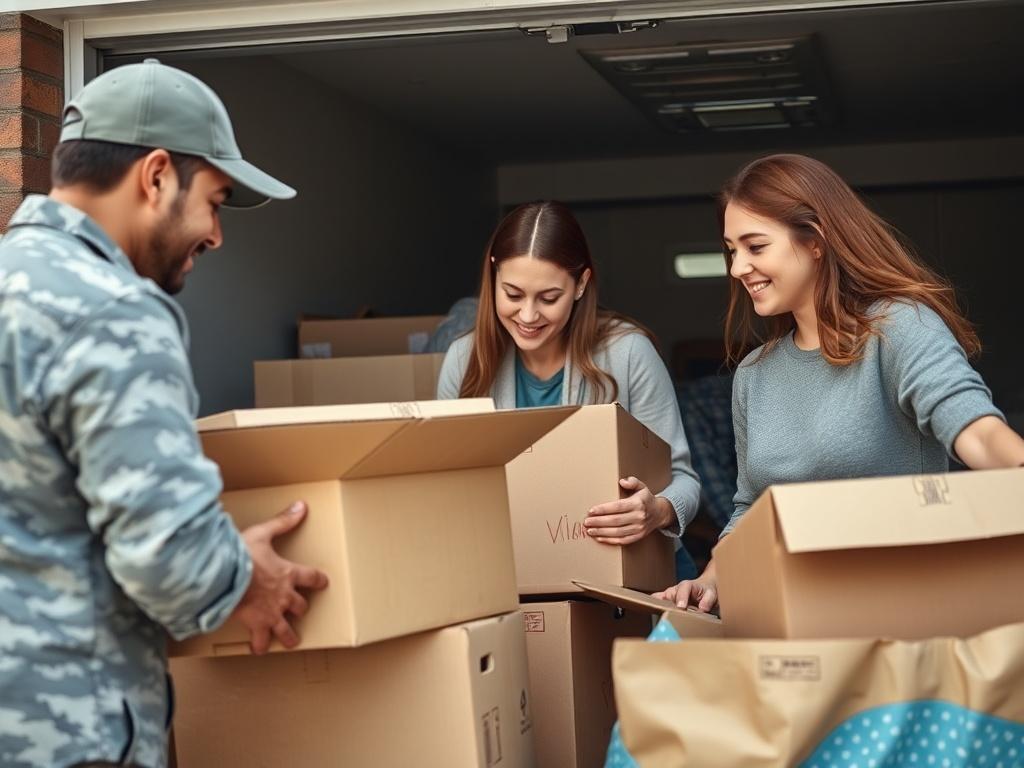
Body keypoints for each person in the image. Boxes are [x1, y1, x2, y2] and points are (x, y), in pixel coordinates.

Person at [0, 60, 328, 768]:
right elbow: (169, 557)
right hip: (58, 732)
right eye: (214, 199)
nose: (216, 233)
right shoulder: (113, 310)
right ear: (155, 176)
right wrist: (249, 577)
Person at [655, 153, 1024, 612]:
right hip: (794, 619)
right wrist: (711, 580)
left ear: (815, 241)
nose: (737, 268)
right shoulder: (753, 375)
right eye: (732, 250)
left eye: (755, 246)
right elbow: (751, 507)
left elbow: (975, 428)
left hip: (903, 614)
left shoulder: (899, 329)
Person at [437, 201, 701, 545]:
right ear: (493, 276)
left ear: (580, 285)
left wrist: (658, 511)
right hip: (513, 567)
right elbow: (443, 482)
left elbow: (684, 480)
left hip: (626, 575)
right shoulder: (463, 359)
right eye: (513, 294)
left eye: (549, 298)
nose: (528, 315)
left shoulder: (628, 353)